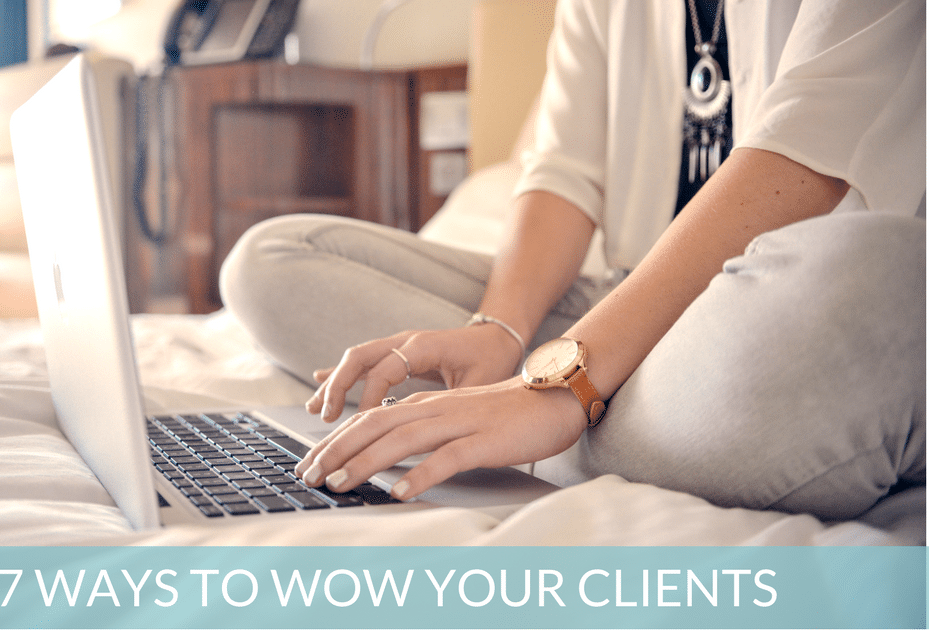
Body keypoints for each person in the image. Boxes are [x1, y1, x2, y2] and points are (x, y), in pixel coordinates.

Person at [220, 0, 926, 521]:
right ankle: (548, 411)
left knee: (889, 275)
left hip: (779, 312)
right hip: (625, 297)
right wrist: (498, 329)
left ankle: (544, 417)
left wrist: (561, 386)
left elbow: (804, 158)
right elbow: (562, 171)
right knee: (274, 260)